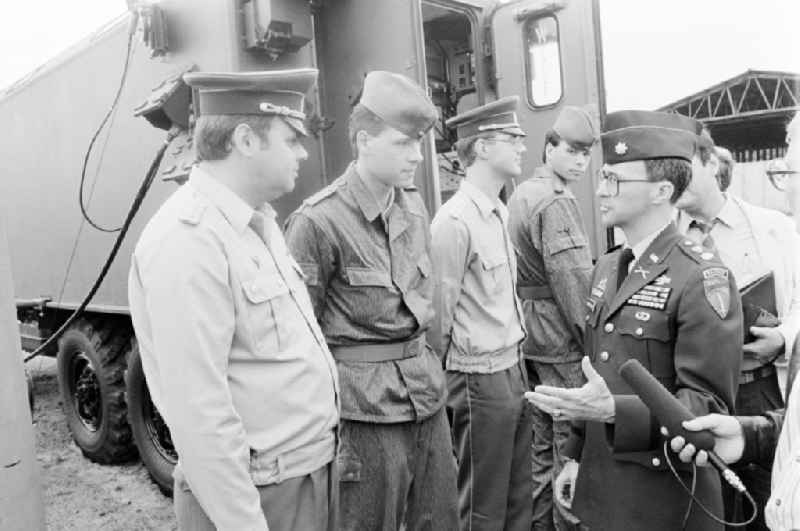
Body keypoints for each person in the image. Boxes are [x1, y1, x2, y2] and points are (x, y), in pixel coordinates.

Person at [127, 69, 340, 531]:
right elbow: (200, 415)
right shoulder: (190, 239)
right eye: (291, 139)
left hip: (299, 479)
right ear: (246, 139)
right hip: (257, 497)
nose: (303, 152)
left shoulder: (258, 224)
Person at [525, 110, 743, 530]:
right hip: (607, 490)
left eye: (614, 180)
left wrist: (612, 412)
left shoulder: (700, 277)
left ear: (662, 190)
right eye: (601, 178)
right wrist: (573, 455)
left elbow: (706, 409)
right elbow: (600, 372)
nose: (601, 191)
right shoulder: (607, 268)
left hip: (666, 498)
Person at [284, 70, 458, 531]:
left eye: (418, 144)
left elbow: (424, 303)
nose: (416, 157)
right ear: (364, 141)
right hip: (364, 413)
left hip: (426, 397)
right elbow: (300, 340)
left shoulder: (413, 206)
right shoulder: (318, 222)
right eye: (403, 144)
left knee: (441, 521)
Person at [675, 126, 800, 530]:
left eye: (686, 167)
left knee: (763, 501)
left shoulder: (772, 227)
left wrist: (782, 337)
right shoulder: (665, 238)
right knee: (704, 506)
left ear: (712, 164)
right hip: (696, 396)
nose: (675, 179)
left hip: (758, 393)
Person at [428, 96, 533, 531]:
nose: (522, 147)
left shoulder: (497, 212)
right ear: (483, 147)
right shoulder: (455, 222)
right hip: (477, 377)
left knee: (516, 499)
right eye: (513, 139)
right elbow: (439, 316)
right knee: (482, 507)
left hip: (511, 369)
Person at [506, 105, 597, 531]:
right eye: (573, 151)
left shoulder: (524, 192)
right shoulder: (555, 201)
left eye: (586, 153)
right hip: (559, 338)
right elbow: (574, 283)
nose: (580, 161)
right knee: (572, 455)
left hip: (530, 332)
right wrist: (592, 339)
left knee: (541, 455)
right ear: (549, 148)